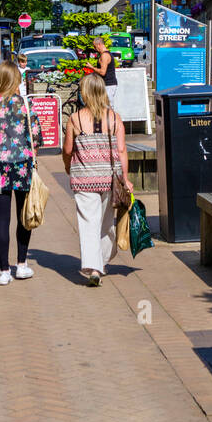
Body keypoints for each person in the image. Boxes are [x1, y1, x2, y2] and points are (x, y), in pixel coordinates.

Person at [0, 59, 43, 285]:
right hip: (22, 164)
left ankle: (3, 270)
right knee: (24, 217)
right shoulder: (25, 104)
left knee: (1, 219)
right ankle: (21, 265)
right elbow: (36, 137)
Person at [62, 72, 132, 285]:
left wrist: (68, 167)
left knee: (88, 224)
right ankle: (100, 263)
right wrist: (125, 178)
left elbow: (67, 150)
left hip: (84, 179)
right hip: (109, 179)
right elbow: (121, 150)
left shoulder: (75, 119)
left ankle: (94, 267)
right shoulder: (114, 118)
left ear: (84, 94)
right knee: (106, 224)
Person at [91, 36, 118, 110]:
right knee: (103, 107)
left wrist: (92, 68)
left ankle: (112, 120)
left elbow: (103, 72)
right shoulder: (105, 54)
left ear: (99, 44)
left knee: (107, 107)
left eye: (95, 46)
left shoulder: (104, 55)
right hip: (106, 84)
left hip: (108, 84)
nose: (94, 48)